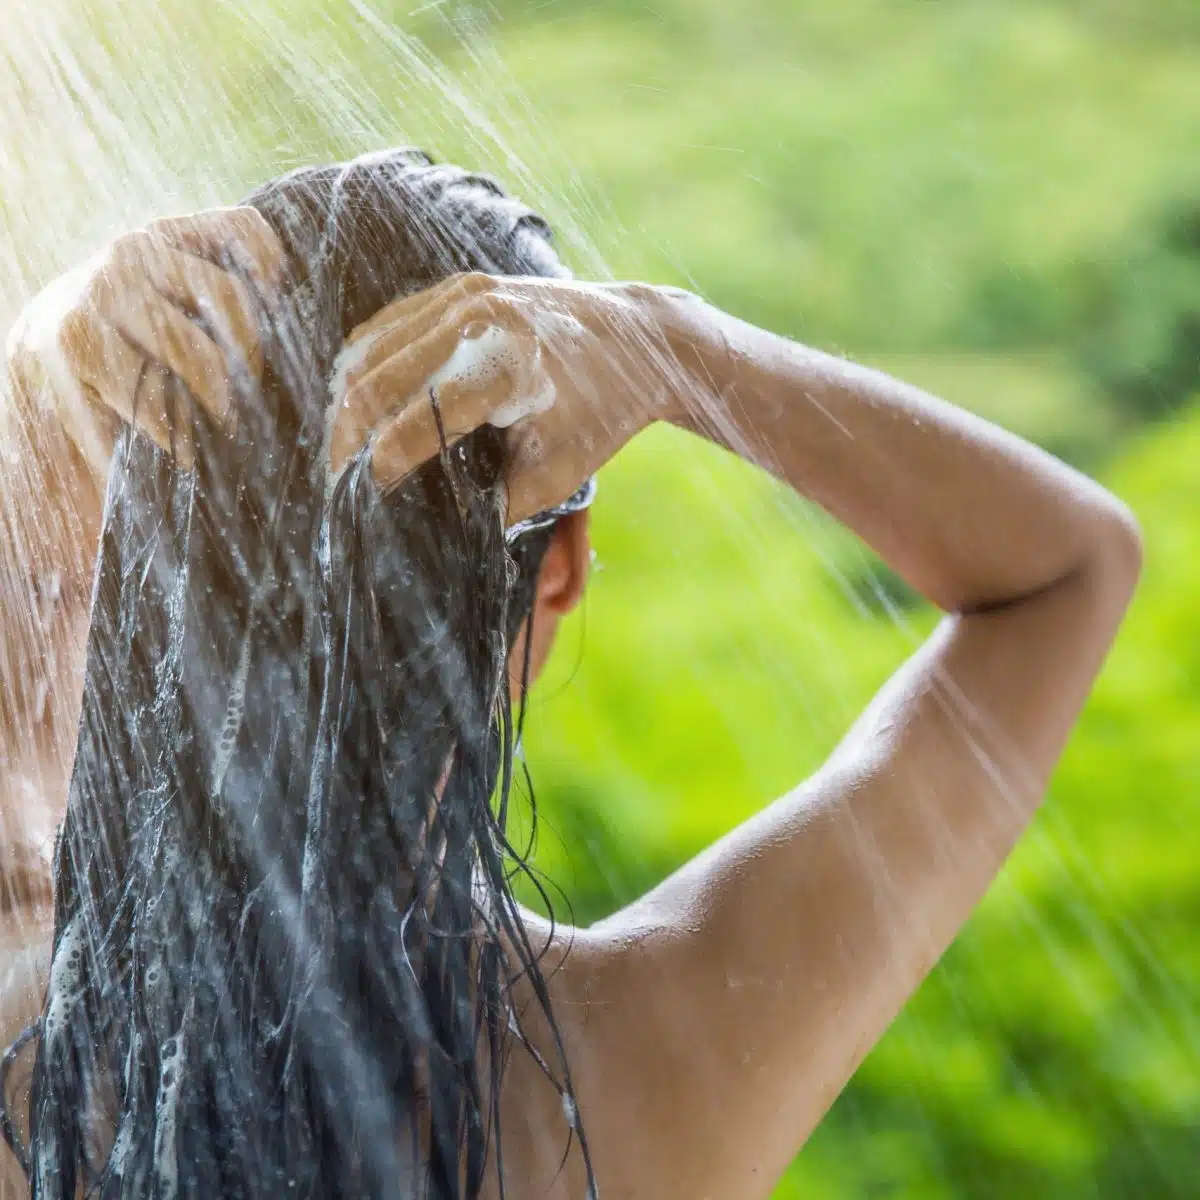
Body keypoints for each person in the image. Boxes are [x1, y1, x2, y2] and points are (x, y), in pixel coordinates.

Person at [0, 148, 1141, 1199]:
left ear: (157, 565)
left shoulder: (31, 1028)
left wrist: (42, 368)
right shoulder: (631, 1068)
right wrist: (673, 348)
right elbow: (1069, 570)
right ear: (559, 574)